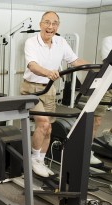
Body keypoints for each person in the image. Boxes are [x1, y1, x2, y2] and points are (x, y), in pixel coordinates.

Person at [20, 11, 90, 178]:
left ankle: (41, 160)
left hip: (50, 88)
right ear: (40, 24)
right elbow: (32, 65)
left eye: (54, 24)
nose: (50, 27)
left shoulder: (61, 42)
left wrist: (97, 67)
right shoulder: (31, 42)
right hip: (31, 88)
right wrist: (47, 73)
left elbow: (75, 61)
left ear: (57, 26)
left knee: (49, 128)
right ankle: (34, 159)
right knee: (43, 123)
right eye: (47, 23)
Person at [99, 36, 112, 147]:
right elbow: (108, 62)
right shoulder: (108, 40)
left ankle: (110, 133)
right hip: (106, 85)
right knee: (96, 119)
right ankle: (88, 150)